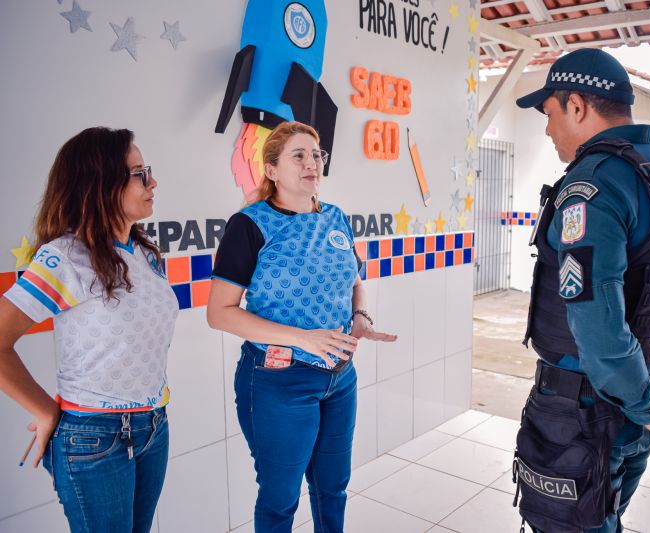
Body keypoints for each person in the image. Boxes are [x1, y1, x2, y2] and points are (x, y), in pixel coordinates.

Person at [512, 49, 650, 533]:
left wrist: (647, 406)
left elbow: (595, 315)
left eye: (549, 114)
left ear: (577, 105)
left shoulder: (594, 184)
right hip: (641, 401)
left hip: (582, 412)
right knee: (603, 518)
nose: (548, 130)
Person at [206, 120, 397, 533]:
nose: (312, 163)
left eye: (316, 154)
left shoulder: (335, 218)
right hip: (278, 381)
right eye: (299, 155)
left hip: (339, 378)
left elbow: (355, 283)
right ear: (271, 169)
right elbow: (219, 312)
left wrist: (360, 318)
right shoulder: (249, 225)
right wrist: (302, 339)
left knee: (333, 489)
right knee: (280, 500)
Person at [0, 127, 178, 533]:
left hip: (153, 427)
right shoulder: (64, 257)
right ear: (100, 183)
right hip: (93, 437)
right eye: (139, 174)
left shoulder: (145, 254)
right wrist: (44, 409)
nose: (152, 182)